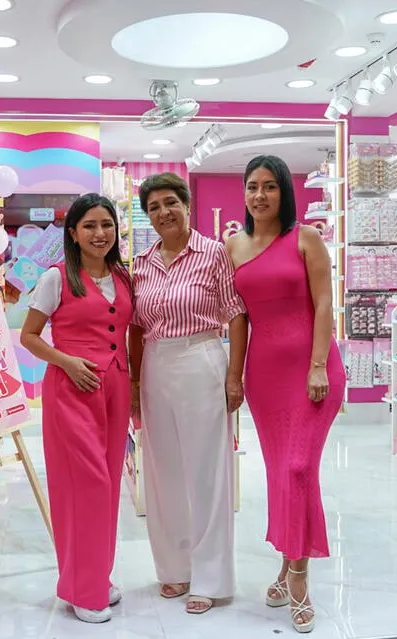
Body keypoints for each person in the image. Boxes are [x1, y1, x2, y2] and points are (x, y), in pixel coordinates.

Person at [228, 156, 346, 634]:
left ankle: (298, 578)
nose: (260, 195)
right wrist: (234, 377)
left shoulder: (306, 238)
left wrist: (318, 364)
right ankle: (284, 565)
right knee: (281, 473)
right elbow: (238, 319)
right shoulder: (233, 246)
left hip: (313, 372)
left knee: (298, 468)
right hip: (264, 377)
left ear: (284, 193)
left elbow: (323, 302)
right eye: (253, 186)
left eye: (270, 187)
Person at [129, 172, 247, 615]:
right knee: (163, 472)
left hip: (201, 358)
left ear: (186, 204)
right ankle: (174, 569)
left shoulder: (214, 253)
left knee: (207, 472)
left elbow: (236, 316)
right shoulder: (141, 263)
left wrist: (234, 376)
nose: (163, 212)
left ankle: (211, 577)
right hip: (157, 364)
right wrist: (136, 383)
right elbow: (136, 329)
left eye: (170, 203)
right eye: (154, 207)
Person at [20, 194, 132, 624]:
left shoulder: (123, 277)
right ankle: (83, 590)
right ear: (73, 233)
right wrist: (66, 360)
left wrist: (135, 386)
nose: (100, 233)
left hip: (116, 388)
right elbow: (30, 335)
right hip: (73, 390)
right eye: (89, 226)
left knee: (109, 487)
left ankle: (95, 577)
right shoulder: (56, 277)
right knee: (86, 486)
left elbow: (128, 332)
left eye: (107, 224)